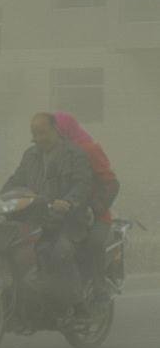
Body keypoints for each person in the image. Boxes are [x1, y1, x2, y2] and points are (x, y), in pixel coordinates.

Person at [1, 112, 93, 314]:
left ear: (55, 129)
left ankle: (78, 304)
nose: (38, 138)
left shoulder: (74, 154)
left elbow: (83, 184)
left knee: (60, 252)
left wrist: (68, 202)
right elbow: (16, 180)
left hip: (68, 221)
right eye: (35, 133)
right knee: (14, 250)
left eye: (43, 132)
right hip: (36, 218)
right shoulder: (30, 155)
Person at [54, 112, 120, 292]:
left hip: (94, 215)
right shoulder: (53, 152)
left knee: (93, 243)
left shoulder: (89, 149)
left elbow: (111, 183)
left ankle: (99, 289)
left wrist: (96, 208)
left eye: (57, 130)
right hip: (64, 212)